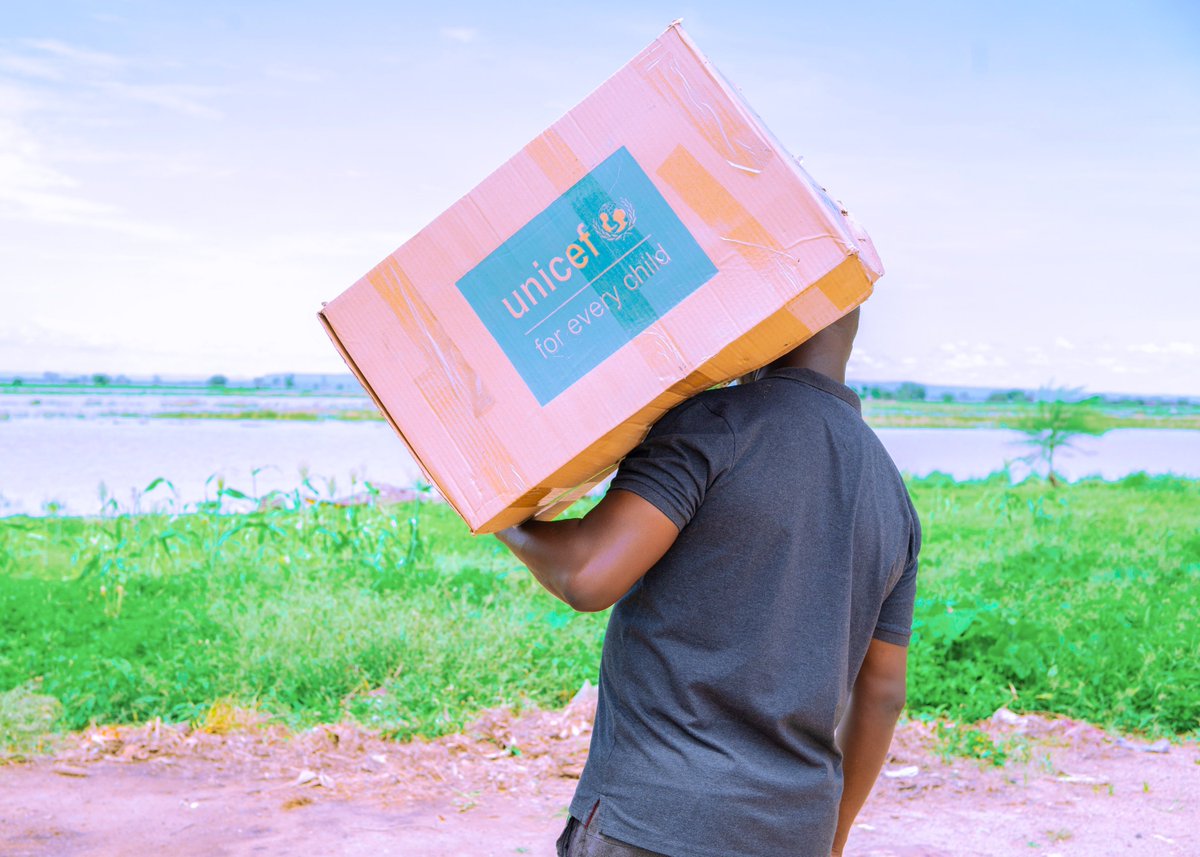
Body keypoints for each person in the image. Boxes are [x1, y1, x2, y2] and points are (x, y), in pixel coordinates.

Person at [495, 308, 920, 857]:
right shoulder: (892, 493)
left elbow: (588, 574)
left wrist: (506, 521)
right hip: (793, 834)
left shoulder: (717, 424)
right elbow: (883, 696)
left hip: (652, 818)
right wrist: (829, 839)